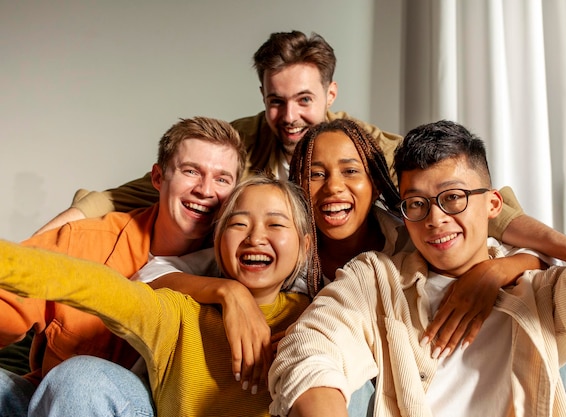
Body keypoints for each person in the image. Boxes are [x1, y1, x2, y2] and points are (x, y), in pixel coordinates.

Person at [268, 120, 566, 417]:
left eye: (453, 197)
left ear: (492, 204)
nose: (435, 219)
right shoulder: (374, 277)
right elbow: (312, 348)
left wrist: (504, 267)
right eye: (416, 204)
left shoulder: (535, 290)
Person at [33, 30, 403, 234]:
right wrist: (36, 246)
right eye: (276, 101)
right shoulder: (237, 143)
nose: (290, 116)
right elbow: (124, 196)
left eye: (304, 100)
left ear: (331, 93)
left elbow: (439, 188)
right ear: (262, 95)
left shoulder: (369, 146)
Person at [0, 175, 312, 417]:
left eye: (275, 224)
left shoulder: (316, 317)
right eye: (239, 223)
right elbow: (101, 288)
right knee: (77, 375)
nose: (255, 237)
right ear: (217, 243)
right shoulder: (180, 313)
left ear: (305, 245)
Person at [0, 116, 247, 415]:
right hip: (55, 400)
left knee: (83, 377)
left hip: (147, 406)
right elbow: (8, 302)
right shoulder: (87, 239)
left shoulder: (238, 261)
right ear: (158, 178)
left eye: (222, 179)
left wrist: (233, 292)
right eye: (191, 171)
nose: (205, 190)